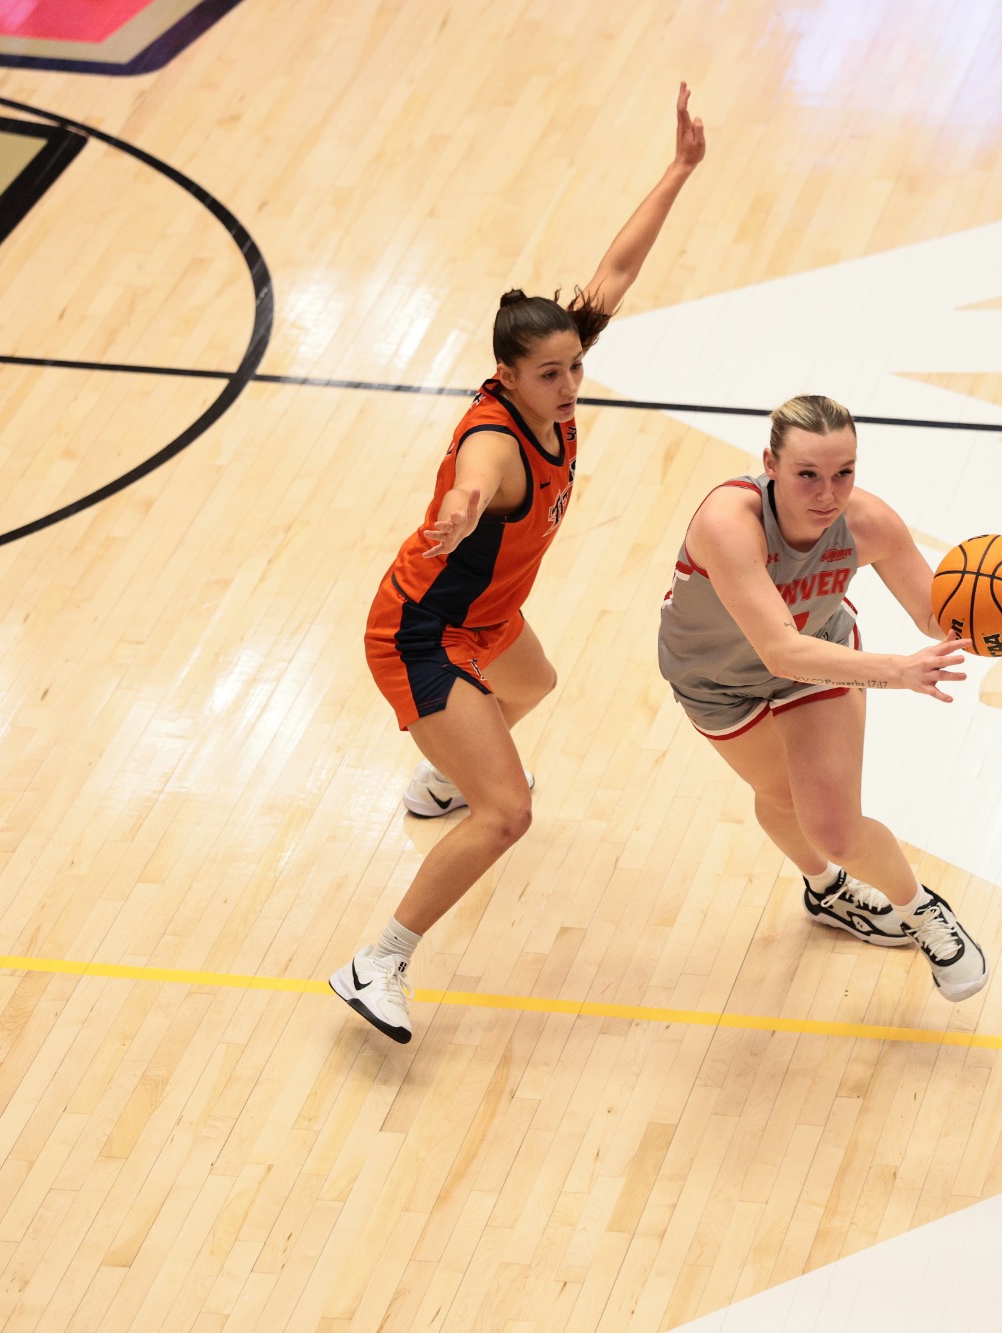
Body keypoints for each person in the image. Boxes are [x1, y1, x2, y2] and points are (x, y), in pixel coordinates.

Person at [332, 84, 707, 1042]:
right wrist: (458, 514)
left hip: (485, 623)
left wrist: (678, 169)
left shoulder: (553, 381)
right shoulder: (498, 444)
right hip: (419, 634)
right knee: (509, 814)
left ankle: (445, 775)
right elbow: (472, 478)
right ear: (506, 376)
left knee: (533, 682)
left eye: (576, 366)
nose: (572, 384)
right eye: (552, 373)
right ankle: (379, 961)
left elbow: (616, 269)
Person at [656, 395, 988, 1000]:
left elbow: (934, 616)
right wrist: (894, 671)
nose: (828, 493)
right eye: (808, 474)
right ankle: (827, 891)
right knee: (780, 798)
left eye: (844, 473)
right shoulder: (728, 523)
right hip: (718, 682)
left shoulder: (868, 523)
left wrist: (992, 614)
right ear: (771, 465)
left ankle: (922, 911)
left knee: (832, 826)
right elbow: (779, 649)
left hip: (820, 657)